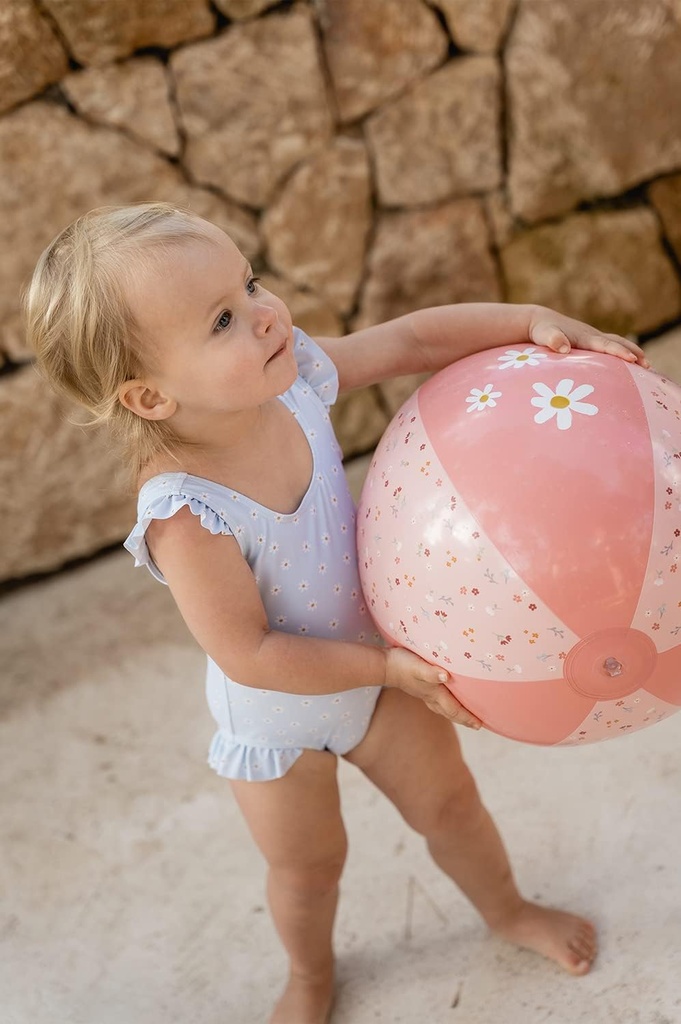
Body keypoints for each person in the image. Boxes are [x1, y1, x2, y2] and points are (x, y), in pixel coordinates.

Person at [25, 202, 649, 1024]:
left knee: (452, 805)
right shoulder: (185, 513)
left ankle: (507, 910)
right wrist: (386, 667)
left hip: (377, 681)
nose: (264, 314)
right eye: (222, 320)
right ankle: (309, 977)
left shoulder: (294, 383)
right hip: (279, 721)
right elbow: (250, 650)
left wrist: (527, 322)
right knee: (309, 869)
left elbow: (414, 342)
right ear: (149, 396)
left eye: (248, 284)